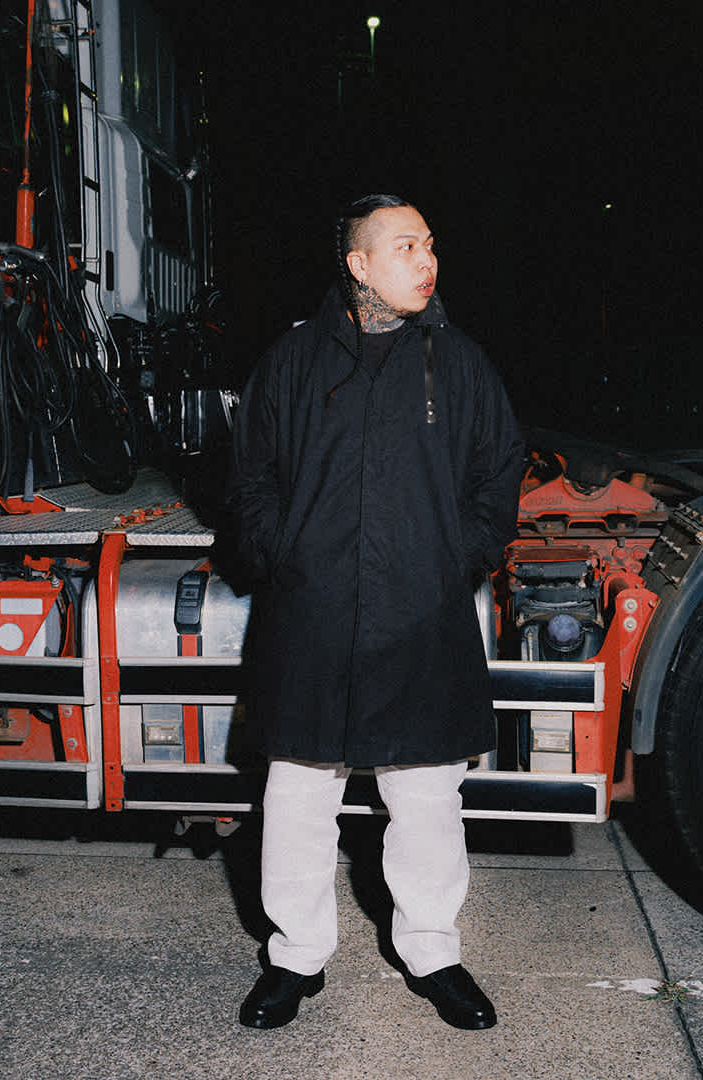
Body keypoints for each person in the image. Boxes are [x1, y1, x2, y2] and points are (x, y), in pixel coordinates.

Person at [229, 193, 523, 1031]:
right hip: (313, 612)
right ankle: (295, 958)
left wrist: (455, 560)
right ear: (358, 264)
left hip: (420, 611)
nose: (427, 261)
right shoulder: (293, 361)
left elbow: (499, 472)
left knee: (427, 794)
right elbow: (250, 476)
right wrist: (283, 555)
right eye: (405, 247)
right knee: (298, 794)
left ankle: (433, 952)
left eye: (429, 245)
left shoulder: (458, 362)